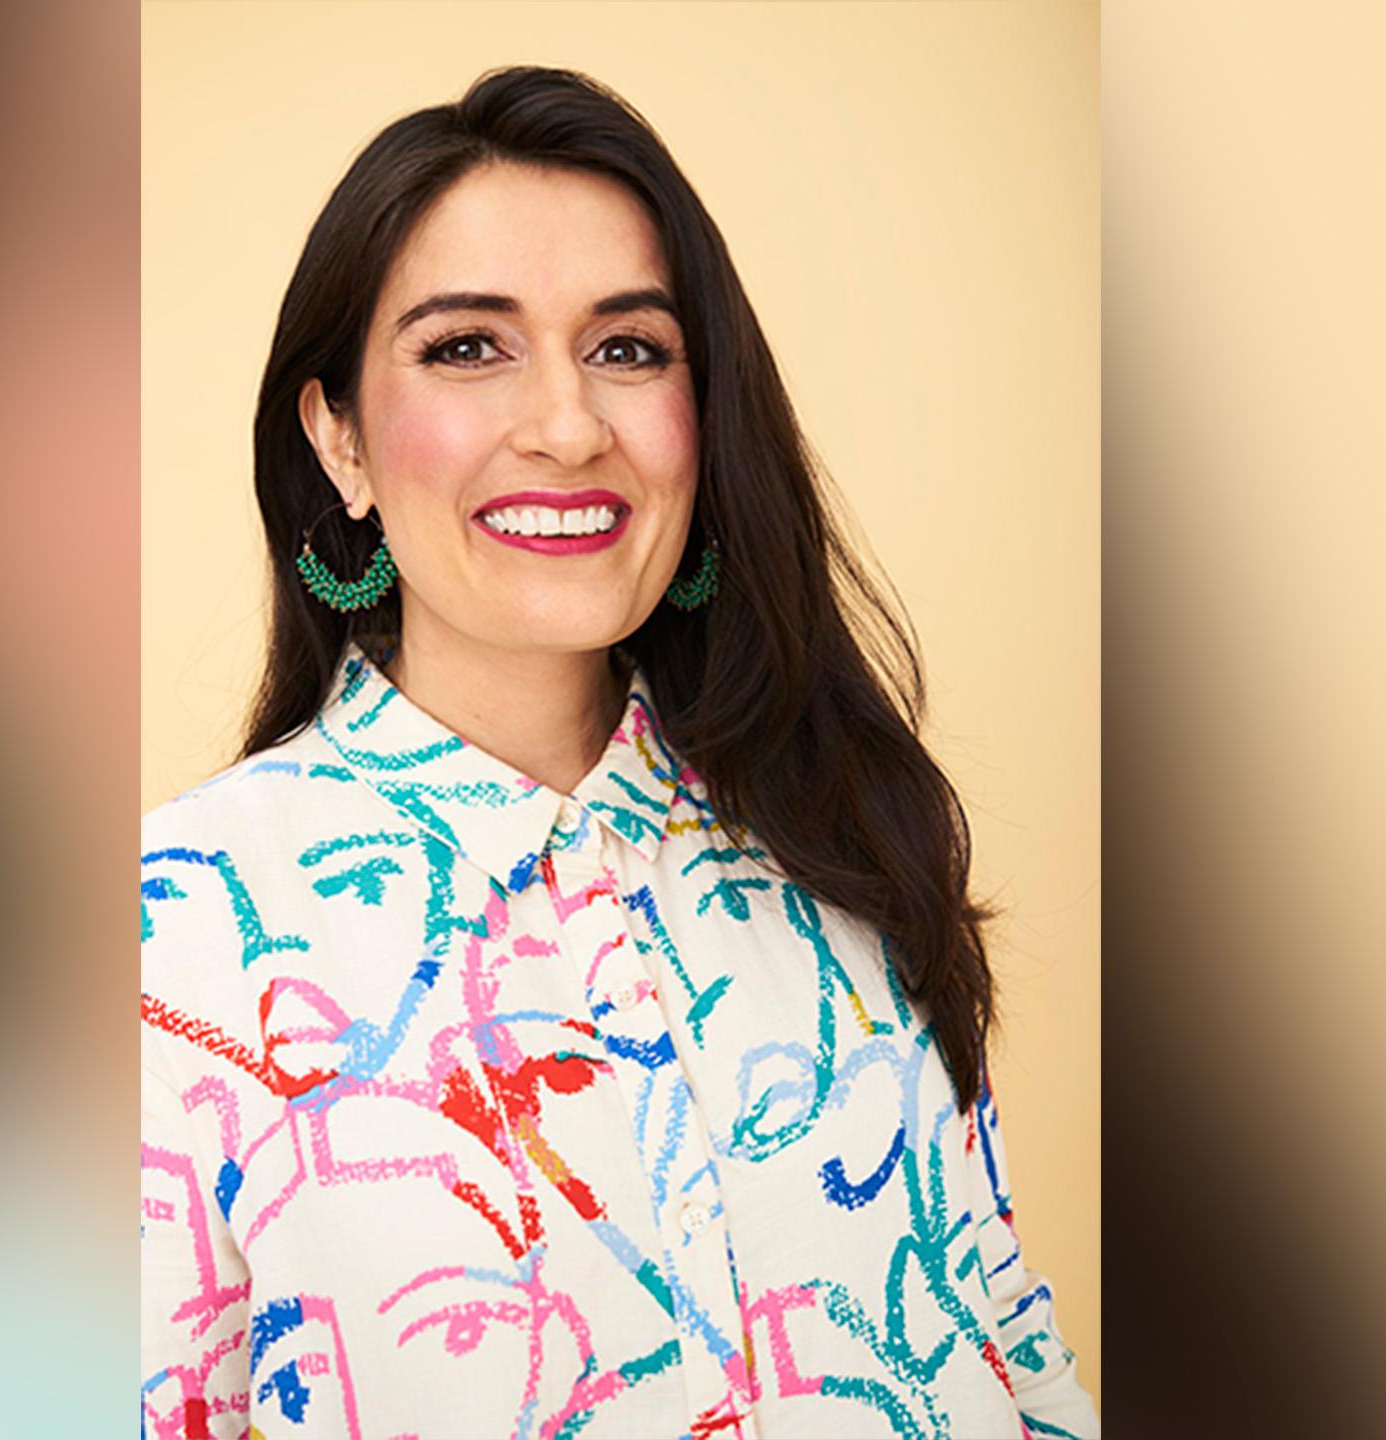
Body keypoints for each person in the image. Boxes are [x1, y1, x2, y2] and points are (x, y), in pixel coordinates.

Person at [141, 64, 1100, 1439]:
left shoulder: (839, 834)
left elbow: (1019, 1364)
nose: (569, 427)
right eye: (467, 347)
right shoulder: (173, 948)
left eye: (629, 348)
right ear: (338, 439)